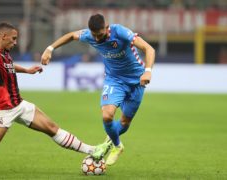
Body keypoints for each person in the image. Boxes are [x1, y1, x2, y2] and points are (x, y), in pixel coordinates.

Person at [0, 22, 111, 176]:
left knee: (52, 128)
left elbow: (9, 66)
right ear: (3, 36)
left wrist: (27, 70)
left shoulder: (4, 54)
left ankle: (93, 149)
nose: (15, 42)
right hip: (4, 108)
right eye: (13, 38)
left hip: (19, 103)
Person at [41, 14, 155, 166]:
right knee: (107, 116)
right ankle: (117, 145)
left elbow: (149, 48)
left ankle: (108, 143)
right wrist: (50, 48)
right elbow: (70, 36)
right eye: (94, 35)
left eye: (99, 35)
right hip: (114, 80)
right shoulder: (90, 35)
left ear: (107, 28)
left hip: (137, 81)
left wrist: (148, 70)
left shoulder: (120, 32)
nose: (96, 39)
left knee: (124, 122)